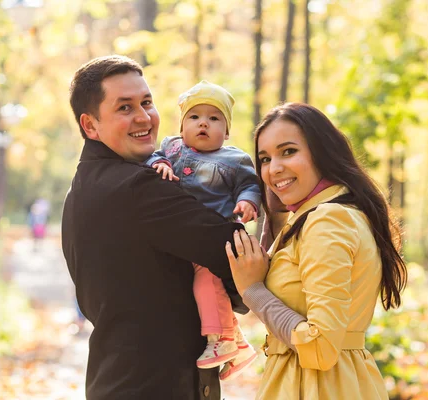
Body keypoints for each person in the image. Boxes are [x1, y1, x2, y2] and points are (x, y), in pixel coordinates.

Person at [61, 55, 246, 400]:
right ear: (90, 125)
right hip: (156, 385)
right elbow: (233, 251)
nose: (144, 117)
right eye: (125, 108)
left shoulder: (78, 190)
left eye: (146, 102)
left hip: (113, 380)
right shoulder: (138, 186)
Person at [225, 102, 408, 399]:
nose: (274, 169)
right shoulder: (319, 215)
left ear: (322, 152)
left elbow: (320, 346)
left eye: (288, 151)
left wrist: (253, 290)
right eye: (265, 159)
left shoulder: (327, 220)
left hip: (317, 387)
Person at [145, 80, 259, 380]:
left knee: (206, 283)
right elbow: (152, 157)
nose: (203, 124)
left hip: (215, 235)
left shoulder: (234, 160)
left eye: (214, 118)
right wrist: (161, 165)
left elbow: (249, 184)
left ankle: (219, 340)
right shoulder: (171, 147)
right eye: (194, 117)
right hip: (183, 233)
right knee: (204, 288)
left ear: (227, 131)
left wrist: (248, 201)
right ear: (182, 126)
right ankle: (239, 343)